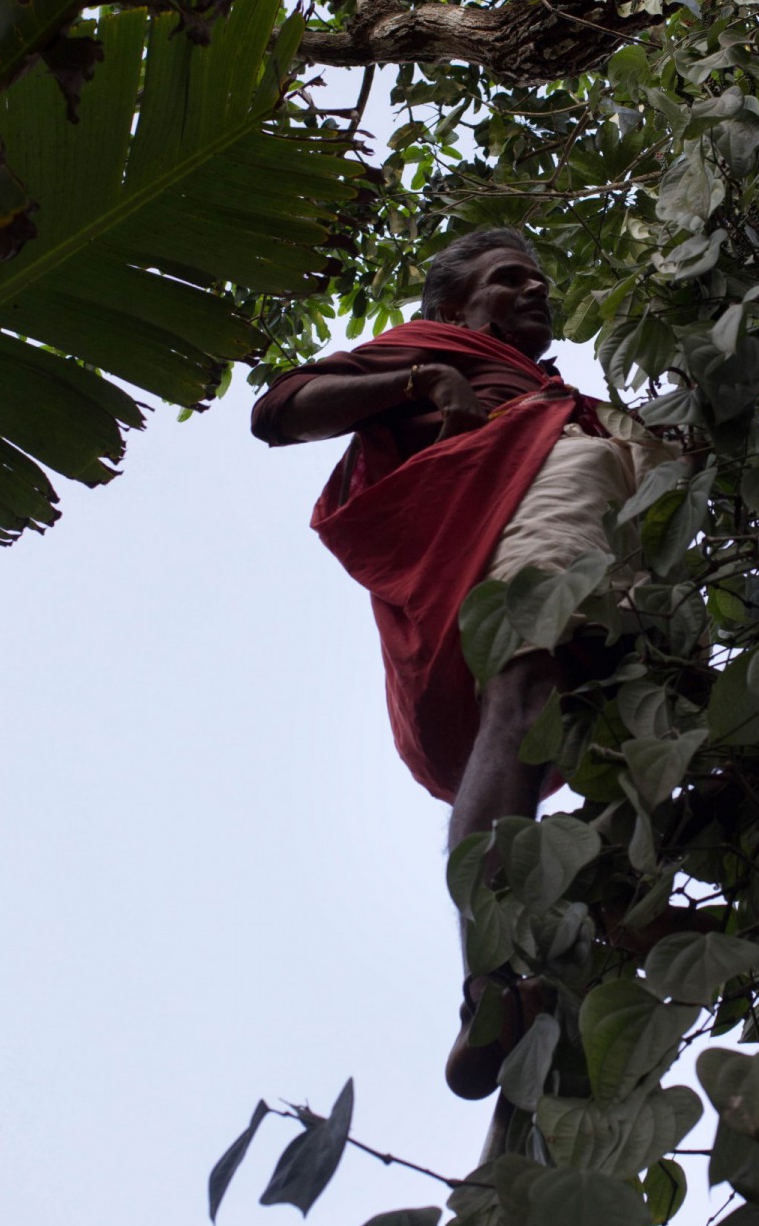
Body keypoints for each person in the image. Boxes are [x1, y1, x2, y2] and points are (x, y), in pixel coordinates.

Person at [251, 228, 657, 1100]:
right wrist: (419, 379)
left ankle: (586, 952)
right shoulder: (436, 349)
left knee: (622, 722)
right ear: (448, 306)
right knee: (528, 681)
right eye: (509, 278)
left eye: (542, 278)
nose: (535, 289)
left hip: (597, 524)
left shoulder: (557, 393)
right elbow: (279, 409)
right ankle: (493, 980)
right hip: (511, 501)